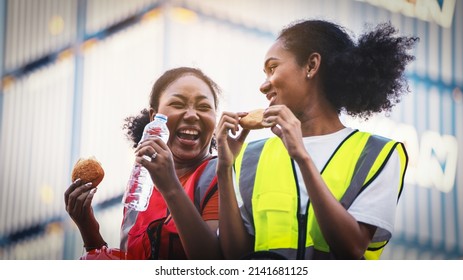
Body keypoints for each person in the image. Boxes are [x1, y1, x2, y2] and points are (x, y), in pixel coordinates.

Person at [216, 19, 418, 260]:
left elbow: (351, 248)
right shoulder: (249, 157)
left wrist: (302, 156)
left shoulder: (379, 153)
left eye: (273, 68)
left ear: (311, 65)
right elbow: (232, 258)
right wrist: (224, 170)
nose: (263, 85)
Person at [65, 67, 223, 260]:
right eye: (178, 104)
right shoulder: (139, 189)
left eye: (204, 107)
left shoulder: (220, 175)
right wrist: (89, 231)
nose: (191, 115)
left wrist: (171, 187)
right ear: (153, 117)